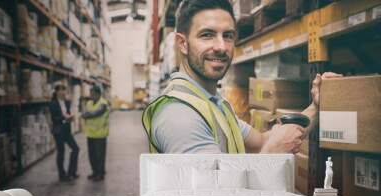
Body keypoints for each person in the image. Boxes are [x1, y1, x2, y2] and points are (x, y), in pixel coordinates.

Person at [142, 0, 341, 154]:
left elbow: (264, 141)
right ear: (182, 44)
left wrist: (316, 107)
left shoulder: (213, 104)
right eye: (207, 35)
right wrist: (272, 153)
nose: (221, 47)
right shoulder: (180, 116)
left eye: (228, 35)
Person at [49, 81, 80, 181]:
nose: (63, 92)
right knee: (61, 152)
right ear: (56, 92)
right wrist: (64, 118)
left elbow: (68, 113)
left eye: (64, 90)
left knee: (76, 148)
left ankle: (72, 172)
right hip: (58, 131)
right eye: (61, 90)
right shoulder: (53, 103)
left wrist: (71, 117)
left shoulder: (67, 102)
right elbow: (54, 119)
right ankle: (62, 175)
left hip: (66, 130)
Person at [81, 84, 110, 182]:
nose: (91, 95)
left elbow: (96, 113)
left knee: (100, 156)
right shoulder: (89, 103)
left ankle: (100, 174)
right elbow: (84, 113)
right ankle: (94, 172)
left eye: (93, 93)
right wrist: (86, 114)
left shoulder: (103, 103)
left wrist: (87, 115)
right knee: (92, 155)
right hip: (90, 134)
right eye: (90, 93)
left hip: (100, 134)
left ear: (98, 94)